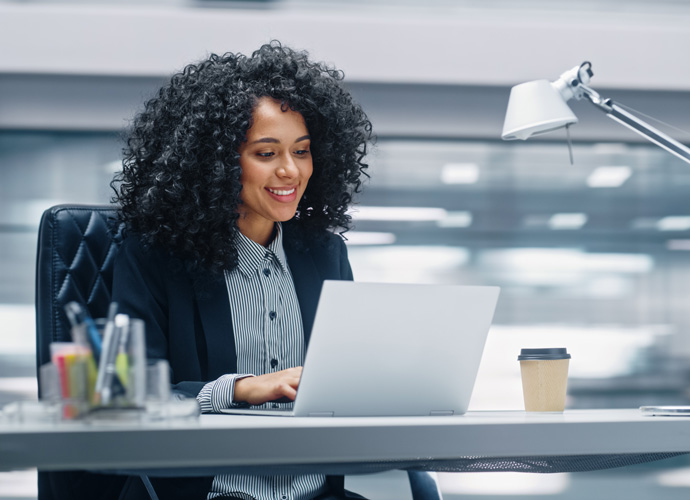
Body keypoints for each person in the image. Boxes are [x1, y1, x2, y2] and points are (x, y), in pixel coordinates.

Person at [108, 41, 374, 500]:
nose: (291, 170)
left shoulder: (324, 254)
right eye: (266, 154)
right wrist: (239, 389)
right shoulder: (155, 256)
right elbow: (125, 397)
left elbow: (342, 380)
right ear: (214, 162)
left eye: (303, 150)